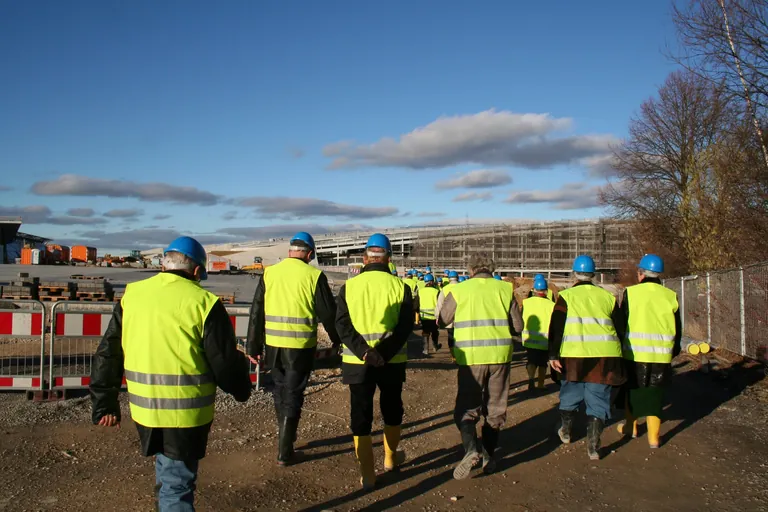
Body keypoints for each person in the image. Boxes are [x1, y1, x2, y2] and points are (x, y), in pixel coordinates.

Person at [90, 236, 252, 511]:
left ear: (164, 264)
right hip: (185, 415)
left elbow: (109, 351)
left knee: (167, 475)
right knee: (177, 486)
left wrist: (105, 402)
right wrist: (241, 389)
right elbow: (223, 361)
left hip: (145, 411)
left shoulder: (133, 295)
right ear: (198, 271)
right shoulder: (205, 303)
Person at [246, 231, 341, 466]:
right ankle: (285, 451)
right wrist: (337, 339)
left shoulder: (270, 273)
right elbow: (328, 313)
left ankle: (285, 438)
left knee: (280, 390)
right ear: (310, 253)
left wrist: (253, 345)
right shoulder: (314, 275)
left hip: (274, 346)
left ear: (290, 251)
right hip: (299, 347)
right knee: (293, 393)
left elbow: (256, 311)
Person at [335, 233, 414, 491]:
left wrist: (365, 352)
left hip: (359, 363)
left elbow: (341, 325)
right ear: (389, 259)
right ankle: (390, 458)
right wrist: (384, 353)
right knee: (392, 409)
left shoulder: (349, 287)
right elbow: (404, 328)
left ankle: (367, 474)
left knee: (361, 414)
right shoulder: (400, 288)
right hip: (390, 363)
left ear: (364, 258)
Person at [438, 253, 523, 479]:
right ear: (492, 269)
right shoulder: (505, 290)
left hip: (471, 359)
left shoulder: (460, 290)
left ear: (470, 270)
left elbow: (442, 320)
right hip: (500, 357)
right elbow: (518, 326)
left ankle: (471, 449)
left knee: (466, 408)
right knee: (495, 410)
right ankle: (488, 456)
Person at [548, 255, 626, 461]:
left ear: (575, 273)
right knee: (598, 400)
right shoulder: (608, 297)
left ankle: (565, 430)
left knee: (570, 395)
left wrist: (553, 355)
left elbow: (557, 326)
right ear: (593, 274)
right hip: (605, 357)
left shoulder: (567, 296)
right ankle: (593, 446)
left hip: (574, 355)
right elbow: (620, 328)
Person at [617, 254, 681, 448]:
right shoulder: (670, 295)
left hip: (634, 353)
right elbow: (677, 327)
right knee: (655, 394)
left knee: (632, 391)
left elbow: (621, 323)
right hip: (661, 354)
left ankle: (631, 427)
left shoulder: (630, 293)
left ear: (641, 274)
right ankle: (654, 437)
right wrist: (674, 350)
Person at [522, 276, 555, 391]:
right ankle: (540, 384)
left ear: (534, 290)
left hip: (529, 339)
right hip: (545, 340)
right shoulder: (552, 305)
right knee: (542, 363)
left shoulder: (526, 303)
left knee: (531, 360)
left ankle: (531, 378)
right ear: (546, 290)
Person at [436, 270, 460, 351]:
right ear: (457, 278)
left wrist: (437, 317)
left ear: (449, 279)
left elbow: (440, 304)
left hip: (448, 317)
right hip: (460, 317)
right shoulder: (462, 287)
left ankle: (453, 355)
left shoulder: (445, 289)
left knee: (450, 336)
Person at [419, 274, 441, 355]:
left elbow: (416, 304)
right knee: (435, 331)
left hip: (424, 316)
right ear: (432, 282)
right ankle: (435, 346)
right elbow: (440, 304)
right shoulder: (436, 291)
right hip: (434, 317)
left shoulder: (420, 291)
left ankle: (425, 350)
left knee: (425, 332)